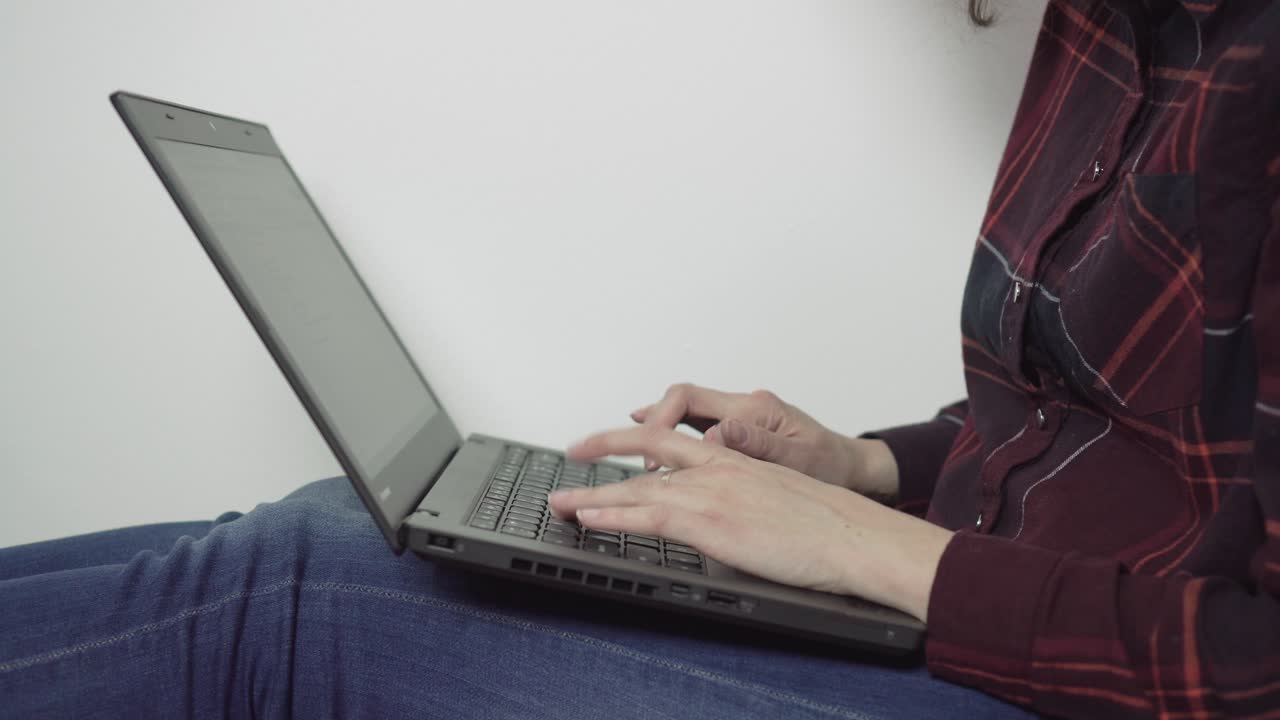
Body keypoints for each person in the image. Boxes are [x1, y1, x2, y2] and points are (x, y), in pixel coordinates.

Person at [3, 0, 1277, 717]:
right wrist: (860, 468)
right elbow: (1102, 431)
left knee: (284, 596)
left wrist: (873, 554)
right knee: (318, 525)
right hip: (972, 601)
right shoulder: (1115, 25)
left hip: (1059, 689)